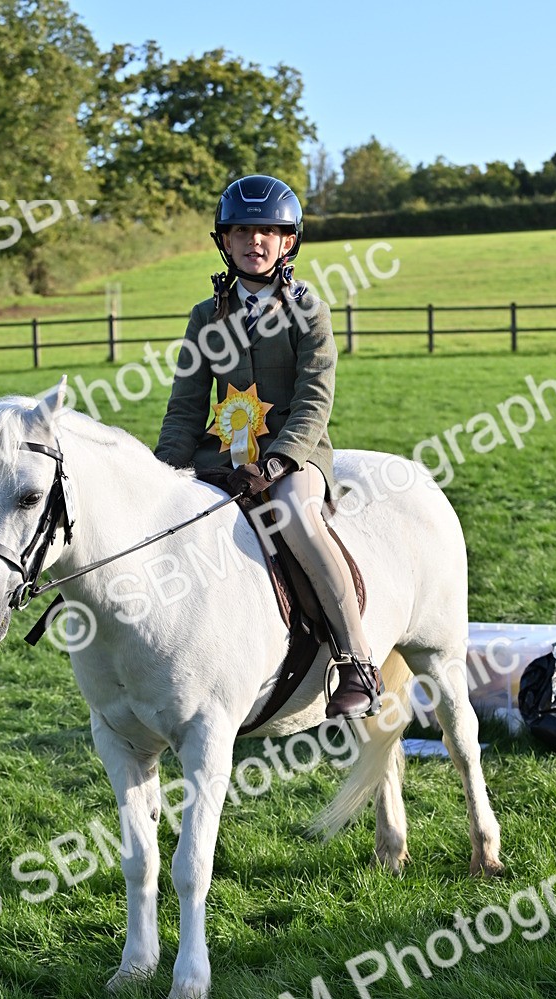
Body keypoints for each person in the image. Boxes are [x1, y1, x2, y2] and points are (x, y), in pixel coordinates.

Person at [154, 174, 382, 718]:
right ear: (224, 241)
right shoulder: (205, 317)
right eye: (241, 232)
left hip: (296, 455)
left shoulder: (310, 310)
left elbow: (314, 399)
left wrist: (280, 459)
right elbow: (187, 404)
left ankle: (356, 660)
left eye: (268, 232)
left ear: (288, 242)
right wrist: (162, 471)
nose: (254, 242)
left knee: (295, 518)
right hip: (224, 455)